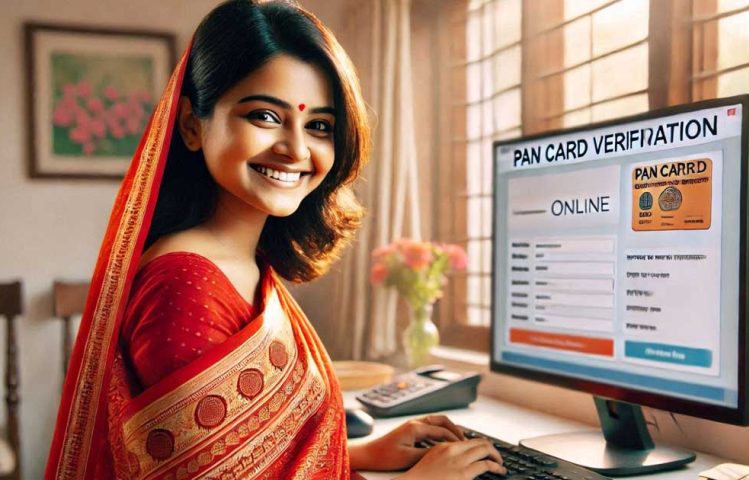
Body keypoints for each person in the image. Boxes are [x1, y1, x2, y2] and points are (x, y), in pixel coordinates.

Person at [46, 1, 507, 479]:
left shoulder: (241, 263)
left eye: (319, 126)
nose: (296, 149)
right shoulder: (185, 285)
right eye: (265, 116)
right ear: (191, 125)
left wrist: (359, 455)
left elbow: (249, 457)